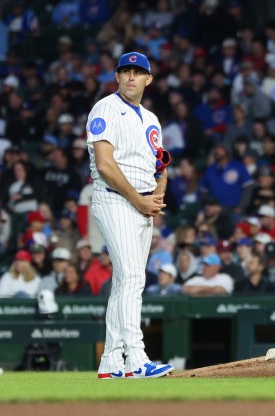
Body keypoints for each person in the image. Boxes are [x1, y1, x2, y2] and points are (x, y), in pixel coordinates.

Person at [86, 51, 174, 379]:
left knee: (125, 282)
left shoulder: (151, 119)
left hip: (141, 203)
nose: (132, 77)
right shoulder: (106, 108)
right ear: (117, 77)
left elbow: (159, 164)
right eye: (126, 71)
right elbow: (106, 165)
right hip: (115, 200)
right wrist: (139, 199)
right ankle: (136, 358)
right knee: (135, 278)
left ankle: (111, 360)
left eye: (138, 72)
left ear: (149, 79)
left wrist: (157, 193)